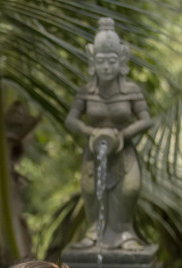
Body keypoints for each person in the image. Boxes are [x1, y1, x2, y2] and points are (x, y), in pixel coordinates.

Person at [65, 17, 153, 250]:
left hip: (124, 152)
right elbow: (71, 119)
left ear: (121, 61)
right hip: (94, 151)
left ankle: (124, 234)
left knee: (130, 188)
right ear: (92, 60)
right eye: (101, 61)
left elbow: (146, 120)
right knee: (90, 190)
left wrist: (123, 134)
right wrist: (90, 132)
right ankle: (93, 233)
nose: (106, 67)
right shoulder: (86, 92)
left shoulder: (131, 90)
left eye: (111, 61)